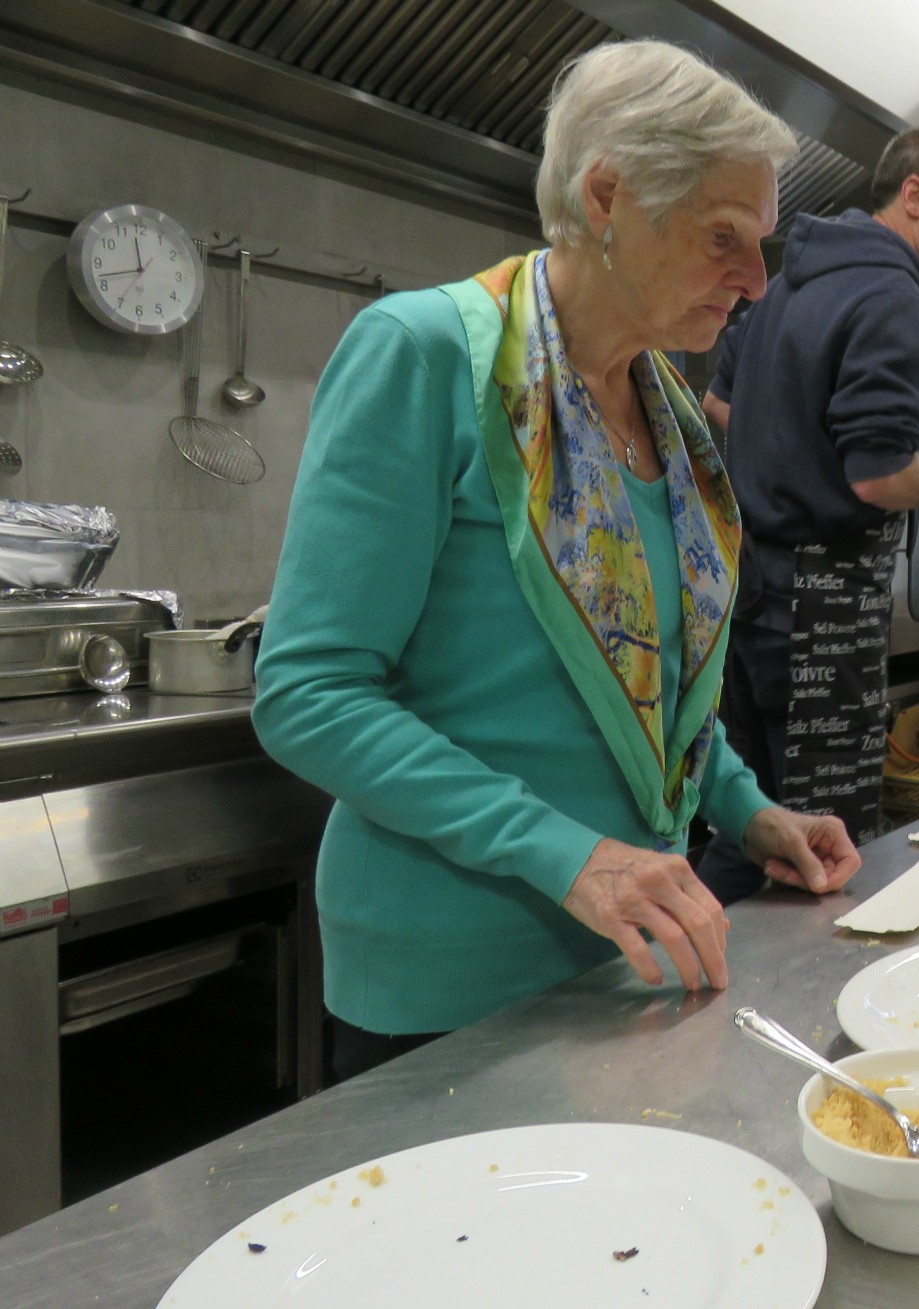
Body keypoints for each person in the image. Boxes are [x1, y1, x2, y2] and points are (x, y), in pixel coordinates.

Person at [254, 41, 860, 1082]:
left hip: (635, 955)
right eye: (725, 236)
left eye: (758, 243)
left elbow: (651, 695)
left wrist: (747, 809)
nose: (755, 281)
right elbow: (307, 693)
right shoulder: (429, 355)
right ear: (606, 195)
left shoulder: (674, 421)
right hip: (448, 982)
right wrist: (564, 854)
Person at [694, 127, 919, 902]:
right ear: (913, 195)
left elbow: (717, 402)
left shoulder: (786, 283)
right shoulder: (892, 295)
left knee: (750, 827)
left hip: (750, 602)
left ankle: (681, 999)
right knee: (823, 851)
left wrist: (786, 452)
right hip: (821, 620)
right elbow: (876, 473)